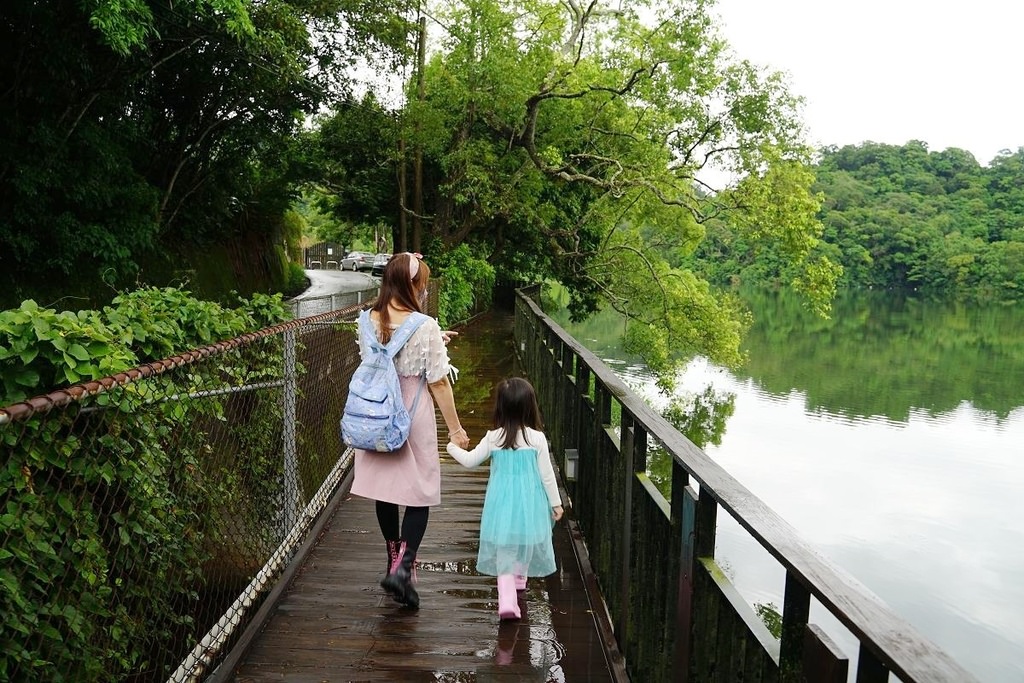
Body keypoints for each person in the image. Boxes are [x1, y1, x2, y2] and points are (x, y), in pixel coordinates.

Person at [350, 252, 470, 610]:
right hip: (411, 412)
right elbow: (438, 382)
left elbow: (383, 353)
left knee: (384, 489)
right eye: (422, 283)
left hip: (376, 412)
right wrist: (456, 429)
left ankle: (392, 558)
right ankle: (404, 567)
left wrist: (435, 342)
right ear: (413, 285)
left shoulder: (365, 319)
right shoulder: (425, 325)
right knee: (421, 490)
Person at [445, 377, 564, 620]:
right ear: (530, 406)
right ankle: (518, 581)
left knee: (506, 546)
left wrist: (450, 447)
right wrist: (556, 503)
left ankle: (507, 596)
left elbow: (469, 461)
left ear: (500, 407)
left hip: (501, 505)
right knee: (525, 541)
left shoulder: (493, 437)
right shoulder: (536, 438)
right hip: (530, 504)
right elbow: (547, 476)